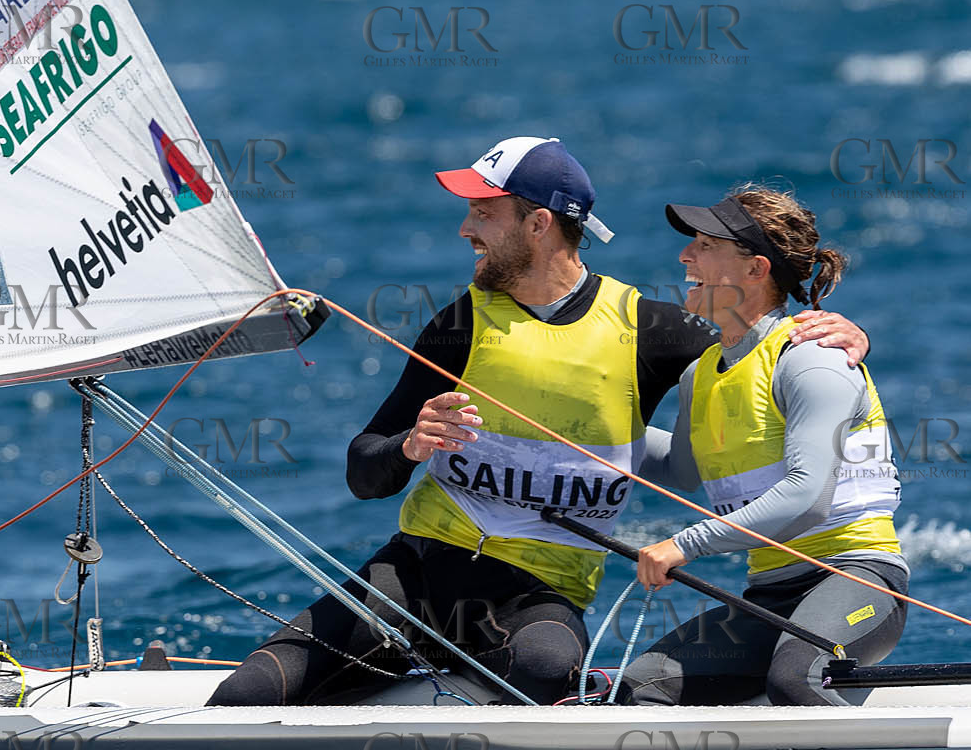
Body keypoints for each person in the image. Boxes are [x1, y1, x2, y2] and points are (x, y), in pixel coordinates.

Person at [206, 138, 869, 707]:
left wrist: (840, 335)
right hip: (412, 576)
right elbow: (363, 471)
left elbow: (755, 352)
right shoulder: (462, 322)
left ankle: (441, 679)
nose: (466, 229)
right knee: (247, 695)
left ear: (537, 225)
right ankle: (400, 668)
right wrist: (409, 447)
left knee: (547, 671)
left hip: (538, 595)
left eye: (482, 212)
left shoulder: (651, 331)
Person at [619, 185, 907, 706]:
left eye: (706, 245)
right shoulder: (699, 375)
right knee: (642, 684)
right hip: (772, 594)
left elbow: (806, 496)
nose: (686, 255)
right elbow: (682, 470)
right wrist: (582, 434)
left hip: (859, 577)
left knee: (797, 676)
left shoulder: (811, 358)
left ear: (756, 270)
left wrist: (685, 545)